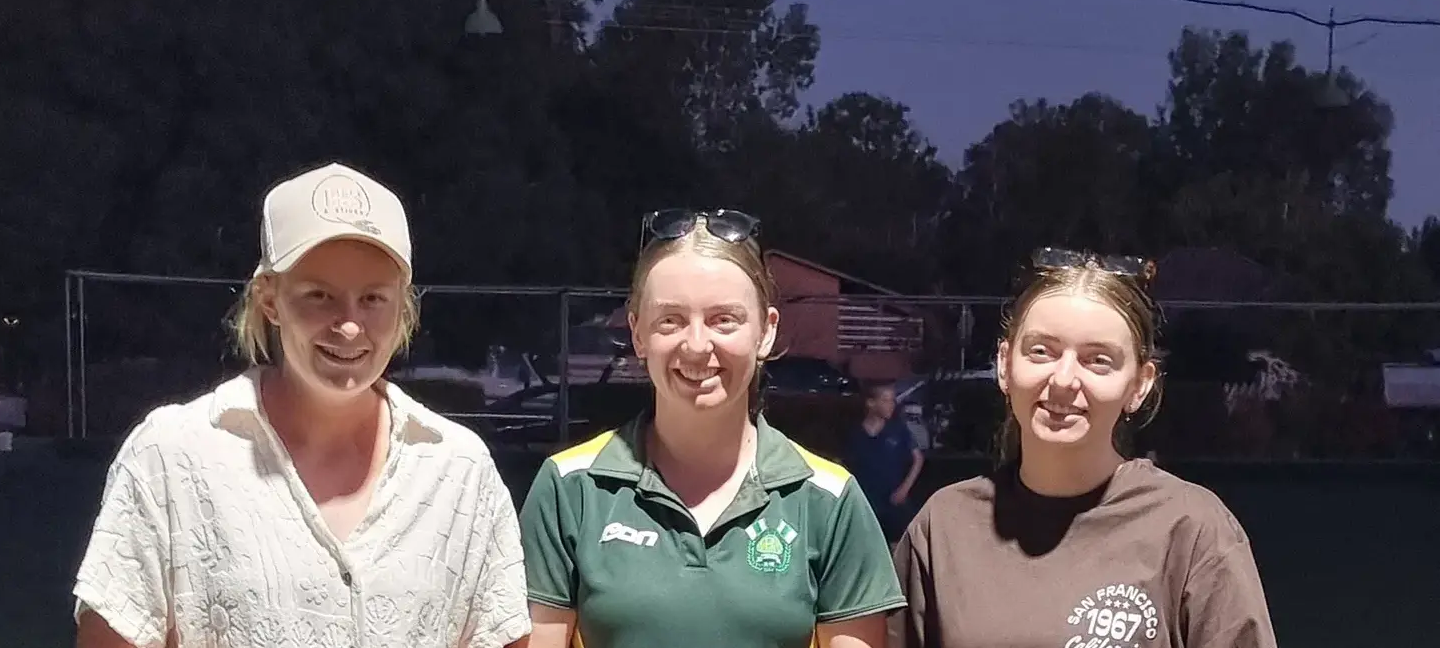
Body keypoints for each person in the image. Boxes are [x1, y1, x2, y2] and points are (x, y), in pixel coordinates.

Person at [72, 162, 530, 648]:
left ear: (403, 305)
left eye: (373, 298)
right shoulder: (170, 458)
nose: (349, 325)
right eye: (319, 296)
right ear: (270, 299)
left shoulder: (460, 470)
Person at [519, 208, 904, 648]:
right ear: (637, 332)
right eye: (671, 320)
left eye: (724, 319)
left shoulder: (829, 502)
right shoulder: (570, 489)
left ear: (767, 332)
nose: (698, 346)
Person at [890, 248, 1278, 648]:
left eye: (1098, 360)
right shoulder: (944, 526)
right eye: (1041, 351)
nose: (1063, 379)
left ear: (1140, 384)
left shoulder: (1192, 529)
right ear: (1005, 364)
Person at [844, 381, 924, 545]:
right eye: (886, 400)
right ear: (871, 403)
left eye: (893, 400)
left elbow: (918, 458)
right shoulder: (855, 434)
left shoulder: (898, 430)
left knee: (898, 545)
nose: (891, 405)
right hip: (866, 502)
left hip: (893, 501)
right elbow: (846, 466)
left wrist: (904, 489)